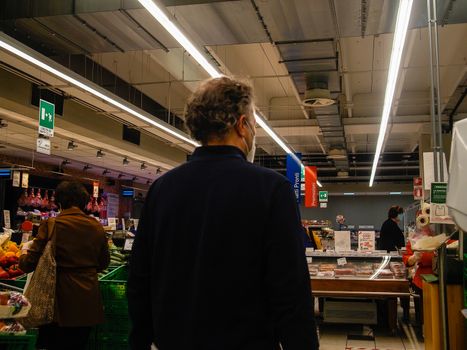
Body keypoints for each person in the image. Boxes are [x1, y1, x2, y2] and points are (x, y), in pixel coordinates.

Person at [128, 76, 319, 350]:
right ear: (241, 125)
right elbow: (290, 292)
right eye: (253, 124)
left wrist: (140, 342)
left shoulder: (161, 190)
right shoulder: (273, 190)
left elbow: (140, 282)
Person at [19, 181, 110, 350]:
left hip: (56, 301)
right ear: (84, 202)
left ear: (59, 202)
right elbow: (104, 263)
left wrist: (23, 253)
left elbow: (28, 264)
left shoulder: (51, 224)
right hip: (87, 301)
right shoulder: (97, 227)